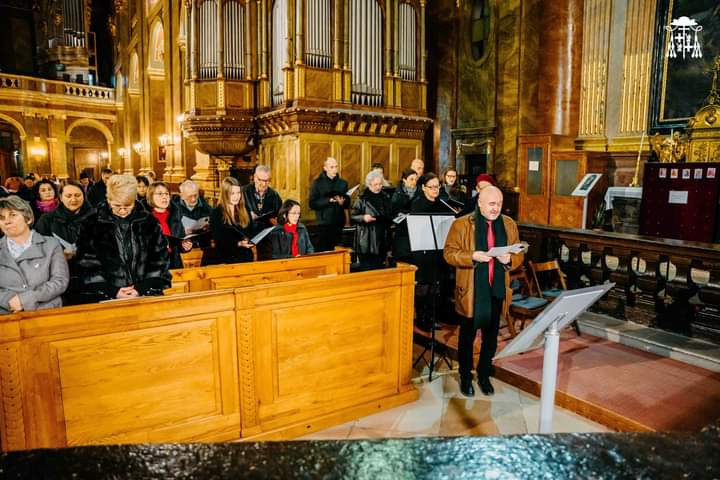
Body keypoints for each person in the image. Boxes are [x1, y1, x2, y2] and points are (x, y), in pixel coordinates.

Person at [443, 185, 524, 397]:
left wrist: (509, 259)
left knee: (490, 338)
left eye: (499, 204)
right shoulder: (462, 224)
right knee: (467, 338)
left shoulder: (508, 224)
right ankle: (465, 377)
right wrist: (472, 256)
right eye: (491, 204)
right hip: (471, 290)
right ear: (479, 203)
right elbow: (449, 253)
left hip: (496, 289)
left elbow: (519, 254)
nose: (496, 208)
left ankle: (484, 375)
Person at [76, 174, 171, 301]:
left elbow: (159, 258)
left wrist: (141, 288)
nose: (122, 211)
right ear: (108, 199)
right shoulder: (91, 223)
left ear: (135, 200)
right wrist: (112, 291)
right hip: (107, 296)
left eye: (127, 206)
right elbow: (87, 262)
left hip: (145, 293)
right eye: (116, 206)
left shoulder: (148, 221)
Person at [0, 195, 69, 314]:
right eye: (1, 218)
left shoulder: (51, 244)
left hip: (46, 311)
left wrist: (24, 300)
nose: (7, 221)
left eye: (13, 215)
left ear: (28, 218)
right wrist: (8, 301)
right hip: (7, 314)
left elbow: (59, 281)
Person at [34, 180, 95, 305]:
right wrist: (59, 255)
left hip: (92, 277)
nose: (73, 199)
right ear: (61, 197)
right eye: (68, 196)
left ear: (84, 196)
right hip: (60, 279)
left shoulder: (95, 217)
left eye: (77, 195)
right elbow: (39, 249)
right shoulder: (47, 220)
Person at [409, 173, 455, 331]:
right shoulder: (417, 204)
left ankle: (433, 316)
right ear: (423, 188)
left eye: (437, 186)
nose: (435, 190)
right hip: (422, 250)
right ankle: (421, 317)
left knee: (436, 284)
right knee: (424, 284)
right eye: (432, 187)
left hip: (438, 249)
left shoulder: (441, 203)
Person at [351, 170, 392, 270]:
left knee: (379, 267)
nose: (378, 187)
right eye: (375, 184)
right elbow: (353, 216)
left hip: (381, 237)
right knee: (366, 267)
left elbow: (390, 215)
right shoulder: (362, 198)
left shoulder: (385, 197)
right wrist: (363, 217)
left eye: (380, 184)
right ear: (369, 185)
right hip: (366, 238)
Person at [147, 182, 192, 269]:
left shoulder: (175, 216)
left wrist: (185, 246)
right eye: (160, 194)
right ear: (151, 197)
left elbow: (180, 240)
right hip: (152, 265)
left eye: (166, 194)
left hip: (173, 263)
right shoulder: (144, 219)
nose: (164, 197)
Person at [210, 177, 255, 264]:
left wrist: (250, 239)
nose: (236, 196)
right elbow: (219, 241)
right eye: (232, 193)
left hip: (245, 257)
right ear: (225, 194)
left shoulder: (245, 209)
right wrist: (239, 243)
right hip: (226, 259)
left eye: (238, 193)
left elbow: (250, 230)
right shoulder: (217, 213)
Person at [309, 157, 350, 252]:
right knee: (325, 252)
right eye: (332, 167)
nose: (335, 169)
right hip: (324, 224)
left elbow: (347, 202)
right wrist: (329, 200)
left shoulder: (342, 183)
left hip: (339, 223)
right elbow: (312, 203)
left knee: (338, 252)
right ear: (325, 168)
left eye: (336, 167)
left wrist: (343, 201)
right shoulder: (317, 183)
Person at [243, 165, 282, 260]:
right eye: (260, 180)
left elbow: (280, 217)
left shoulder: (274, 195)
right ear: (254, 178)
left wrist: (275, 221)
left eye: (267, 181)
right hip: (246, 236)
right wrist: (247, 215)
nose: (264, 184)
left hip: (266, 238)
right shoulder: (243, 192)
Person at [172, 179, 212, 248]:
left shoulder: (204, 205)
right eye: (190, 196)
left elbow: (214, 220)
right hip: (183, 246)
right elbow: (172, 230)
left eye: (195, 195)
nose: (193, 199)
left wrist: (208, 226)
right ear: (182, 196)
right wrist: (183, 231)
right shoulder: (174, 207)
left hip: (202, 245)